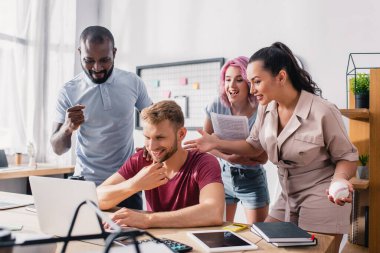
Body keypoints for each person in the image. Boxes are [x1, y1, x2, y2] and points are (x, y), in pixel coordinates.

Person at [184, 42, 358, 252]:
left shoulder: (323, 111)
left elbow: (347, 156)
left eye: (256, 82)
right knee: (260, 244)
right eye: (250, 82)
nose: (252, 88)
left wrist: (340, 179)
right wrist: (216, 142)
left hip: (322, 195)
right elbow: (254, 146)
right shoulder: (266, 108)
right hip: (287, 195)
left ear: (281, 77)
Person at [50, 26, 152, 209]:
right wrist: (67, 128)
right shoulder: (69, 91)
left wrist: (150, 144)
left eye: (104, 60)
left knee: (132, 237)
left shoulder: (133, 82)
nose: (97, 68)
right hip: (86, 184)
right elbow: (57, 149)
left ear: (114, 52)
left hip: (126, 183)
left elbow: (155, 120)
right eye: (89, 61)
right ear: (79, 53)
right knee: (83, 236)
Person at [97, 100, 224, 229]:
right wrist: (135, 184)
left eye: (160, 138)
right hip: (156, 240)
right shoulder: (141, 160)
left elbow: (213, 212)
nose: (151, 147)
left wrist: (147, 219)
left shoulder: (204, 163)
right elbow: (96, 198)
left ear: (181, 134)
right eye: (147, 137)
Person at [204, 56, 269, 224]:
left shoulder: (262, 109)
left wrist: (229, 150)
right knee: (221, 234)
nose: (231, 86)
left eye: (239, 80)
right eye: (227, 79)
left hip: (252, 178)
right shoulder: (216, 105)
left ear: (249, 83)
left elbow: (263, 157)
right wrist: (227, 157)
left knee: (258, 236)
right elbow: (205, 143)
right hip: (222, 176)